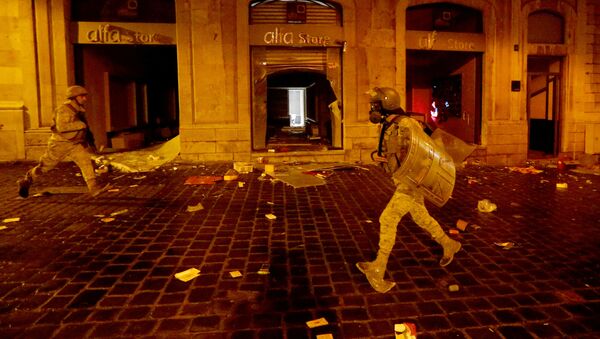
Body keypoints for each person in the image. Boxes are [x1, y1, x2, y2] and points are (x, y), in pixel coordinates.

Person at [356, 87, 461, 293]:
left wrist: (415, 176)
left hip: (412, 182)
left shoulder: (407, 124)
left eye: (374, 106)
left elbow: (423, 153)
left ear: (385, 105)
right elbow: (390, 151)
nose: (371, 109)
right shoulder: (389, 124)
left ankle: (379, 267)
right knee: (421, 217)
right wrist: (375, 157)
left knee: (388, 218)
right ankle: (449, 244)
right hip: (401, 179)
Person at [17, 85, 110, 198]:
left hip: (73, 143)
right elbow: (62, 127)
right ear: (74, 97)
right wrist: (81, 125)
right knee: (45, 167)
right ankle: (26, 181)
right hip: (59, 144)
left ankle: (94, 188)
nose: (85, 99)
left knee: (85, 162)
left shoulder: (78, 110)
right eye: (82, 96)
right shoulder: (63, 110)